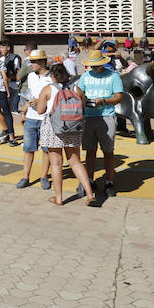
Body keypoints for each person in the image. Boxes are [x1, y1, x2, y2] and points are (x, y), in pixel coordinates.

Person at [36, 63, 96, 206]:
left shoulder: (48, 89)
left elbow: (40, 110)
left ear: (53, 75)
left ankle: (59, 198)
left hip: (53, 128)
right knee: (75, 162)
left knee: (56, 164)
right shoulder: (76, 88)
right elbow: (83, 106)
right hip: (73, 127)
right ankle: (90, 194)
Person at [76, 49, 124, 197]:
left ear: (102, 63)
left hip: (107, 115)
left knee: (108, 152)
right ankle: (89, 180)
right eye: (92, 65)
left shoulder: (113, 76)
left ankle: (109, 182)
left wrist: (103, 101)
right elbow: (79, 93)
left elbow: (119, 97)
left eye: (96, 65)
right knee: (90, 152)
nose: (94, 68)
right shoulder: (85, 76)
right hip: (88, 117)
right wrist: (80, 97)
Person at [16, 49, 52, 190]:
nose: (31, 64)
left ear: (42, 62)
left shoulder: (52, 77)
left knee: (46, 149)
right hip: (31, 117)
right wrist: (24, 112)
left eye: (33, 62)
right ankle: (25, 176)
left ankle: (44, 176)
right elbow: (29, 95)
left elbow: (55, 97)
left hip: (46, 117)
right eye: (30, 61)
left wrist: (40, 102)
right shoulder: (31, 76)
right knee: (28, 149)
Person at [0, 41, 22, 113]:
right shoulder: (2, 59)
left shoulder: (15, 58)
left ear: (8, 48)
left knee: (13, 105)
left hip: (14, 83)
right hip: (4, 84)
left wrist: (18, 81)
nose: (1, 50)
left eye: (3, 48)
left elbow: (18, 70)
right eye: (0, 48)